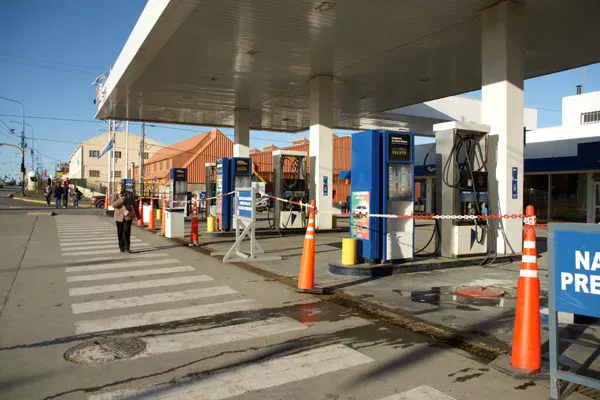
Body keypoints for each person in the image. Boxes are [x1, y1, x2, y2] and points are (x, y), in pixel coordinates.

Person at [111, 183, 137, 253]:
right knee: (120, 232)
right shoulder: (115, 195)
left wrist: (138, 215)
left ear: (124, 187)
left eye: (122, 186)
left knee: (126, 231)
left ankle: (127, 248)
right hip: (118, 216)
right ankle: (121, 247)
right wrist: (121, 199)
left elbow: (134, 204)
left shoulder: (129, 194)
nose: (121, 188)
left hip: (128, 216)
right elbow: (113, 205)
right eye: (119, 187)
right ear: (117, 188)